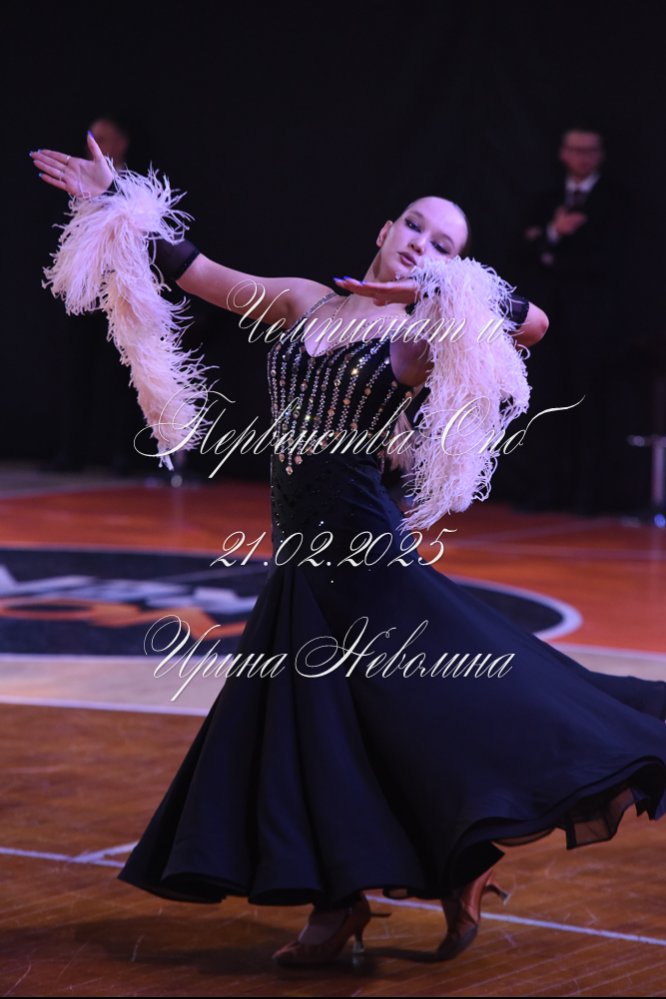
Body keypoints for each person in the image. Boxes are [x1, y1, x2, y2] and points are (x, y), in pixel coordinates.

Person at [30, 134, 666, 968]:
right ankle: (374, 891)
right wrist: (115, 197)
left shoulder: (419, 335)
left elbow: (534, 324)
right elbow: (194, 269)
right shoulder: (305, 301)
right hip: (301, 561)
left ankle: (396, 885)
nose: (422, 243)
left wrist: (444, 290)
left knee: (442, 710)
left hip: (366, 563)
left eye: (445, 245)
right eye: (415, 226)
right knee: (324, 735)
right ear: (384, 228)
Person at [515, 125, 637, 513]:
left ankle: (589, 495)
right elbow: (523, 250)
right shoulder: (546, 199)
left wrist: (552, 248)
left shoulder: (617, 201)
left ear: (600, 155)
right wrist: (553, 232)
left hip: (595, 325)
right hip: (551, 322)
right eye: (575, 149)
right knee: (547, 403)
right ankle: (546, 489)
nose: (582, 157)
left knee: (590, 407)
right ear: (563, 153)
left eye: (590, 150)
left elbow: (611, 259)